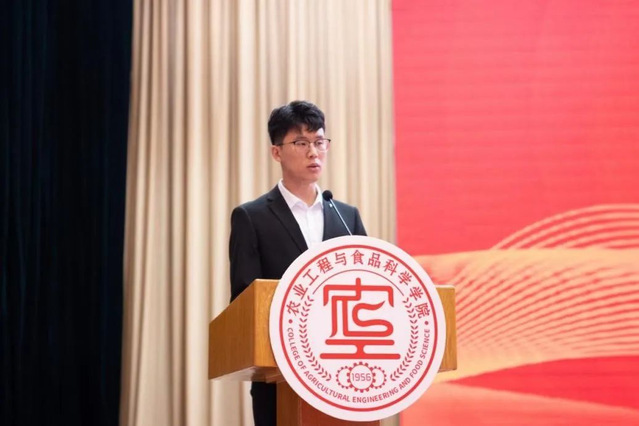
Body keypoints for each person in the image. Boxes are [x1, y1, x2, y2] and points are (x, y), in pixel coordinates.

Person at [228, 100, 367, 425]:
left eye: (319, 142)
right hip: (280, 377)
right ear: (276, 152)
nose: (313, 152)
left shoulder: (346, 217)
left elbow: (365, 286)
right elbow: (245, 300)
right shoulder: (252, 217)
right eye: (301, 143)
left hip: (344, 377)